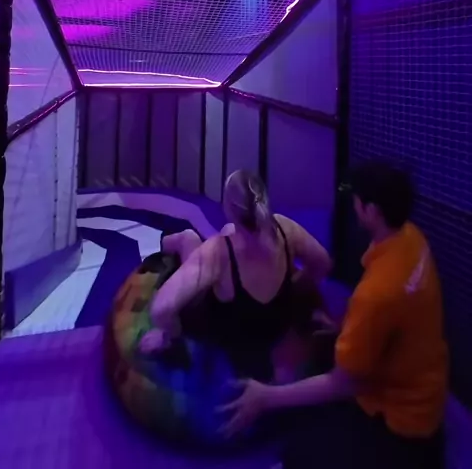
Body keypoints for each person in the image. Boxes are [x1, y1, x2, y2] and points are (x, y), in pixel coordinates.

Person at [220, 161, 448, 469]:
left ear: (372, 211)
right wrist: (343, 327)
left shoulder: (377, 293)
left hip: (403, 426)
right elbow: (386, 317)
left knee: (297, 452)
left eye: (356, 200)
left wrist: (266, 397)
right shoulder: (411, 238)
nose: (353, 205)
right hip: (425, 395)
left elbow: (344, 383)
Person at [140, 169, 332, 382]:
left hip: (227, 334)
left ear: (228, 208)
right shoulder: (286, 229)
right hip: (274, 324)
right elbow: (323, 263)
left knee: (188, 238)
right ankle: (165, 245)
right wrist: (297, 290)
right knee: (226, 231)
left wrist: (167, 336)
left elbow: (161, 310)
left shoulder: (218, 252)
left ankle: (158, 245)